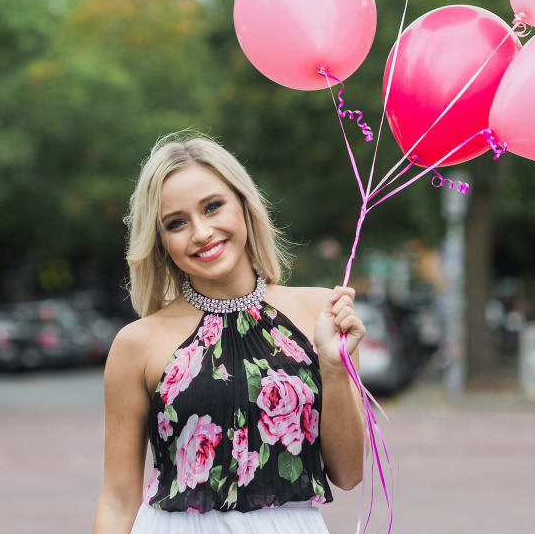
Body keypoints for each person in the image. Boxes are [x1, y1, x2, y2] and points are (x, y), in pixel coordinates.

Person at [92, 133, 367, 534]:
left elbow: (348, 472)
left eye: (213, 207)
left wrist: (333, 364)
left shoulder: (320, 314)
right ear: (161, 241)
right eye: (176, 223)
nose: (201, 232)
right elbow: (117, 500)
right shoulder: (137, 344)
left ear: (243, 204)